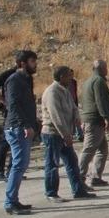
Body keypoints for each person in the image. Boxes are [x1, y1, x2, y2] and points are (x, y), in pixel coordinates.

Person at [41, 67, 95, 202]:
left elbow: (73, 107)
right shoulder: (52, 92)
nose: (71, 79)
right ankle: (51, 193)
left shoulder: (65, 91)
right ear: (60, 77)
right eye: (68, 77)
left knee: (72, 162)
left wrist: (77, 119)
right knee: (52, 164)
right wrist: (65, 134)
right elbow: (56, 116)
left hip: (65, 133)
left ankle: (78, 191)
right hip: (53, 133)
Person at [2, 50, 39, 216]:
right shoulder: (14, 80)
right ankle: (10, 202)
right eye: (32, 61)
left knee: (22, 165)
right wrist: (25, 124)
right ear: (23, 63)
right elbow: (14, 105)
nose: (35, 64)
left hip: (23, 126)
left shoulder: (26, 79)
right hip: (17, 128)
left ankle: (14, 200)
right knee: (18, 165)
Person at [79, 59, 109, 188]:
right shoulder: (98, 81)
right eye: (106, 67)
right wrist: (107, 118)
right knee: (89, 149)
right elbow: (101, 101)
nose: (107, 70)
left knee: (102, 149)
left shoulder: (88, 81)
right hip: (94, 120)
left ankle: (95, 176)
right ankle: (79, 177)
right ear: (101, 69)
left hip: (91, 119)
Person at [0, 61, 21, 182]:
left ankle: (13, 170)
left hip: (21, 113)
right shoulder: (10, 74)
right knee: (6, 141)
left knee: (18, 142)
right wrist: (4, 101)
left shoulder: (26, 77)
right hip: (10, 113)